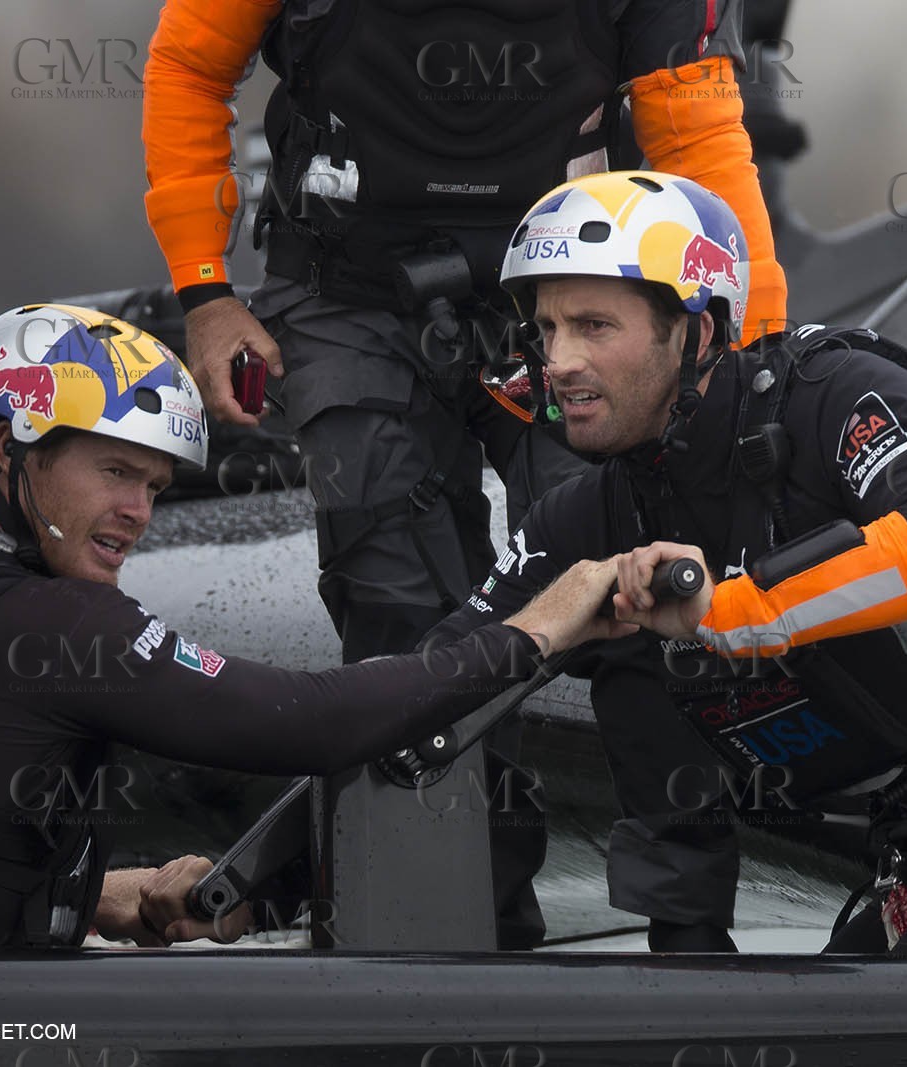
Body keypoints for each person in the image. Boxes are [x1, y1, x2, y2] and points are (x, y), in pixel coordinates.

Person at [143, 0, 789, 948]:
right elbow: (188, 69)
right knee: (395, 599)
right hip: (346, 289)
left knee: (636, 593)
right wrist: (204, 292)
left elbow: (697, 130)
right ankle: (449, 927)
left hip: (567, 281)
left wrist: (757, 348)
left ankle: (686, 933)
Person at [428, 168, 907, 956]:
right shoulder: (593, 514)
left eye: (593, 325)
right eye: (547, 330)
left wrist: (731, 612)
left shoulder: (834, 394)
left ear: (697, 330)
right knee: (836, 1023)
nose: (558, 360)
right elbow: (437, 672)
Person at [0, 303, 632, 949]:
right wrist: (534, 632)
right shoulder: (50, 620)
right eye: (115, 471)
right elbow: (311, 720)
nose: (138, 514)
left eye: (153, 486)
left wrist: (93, 895)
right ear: (7, 447)